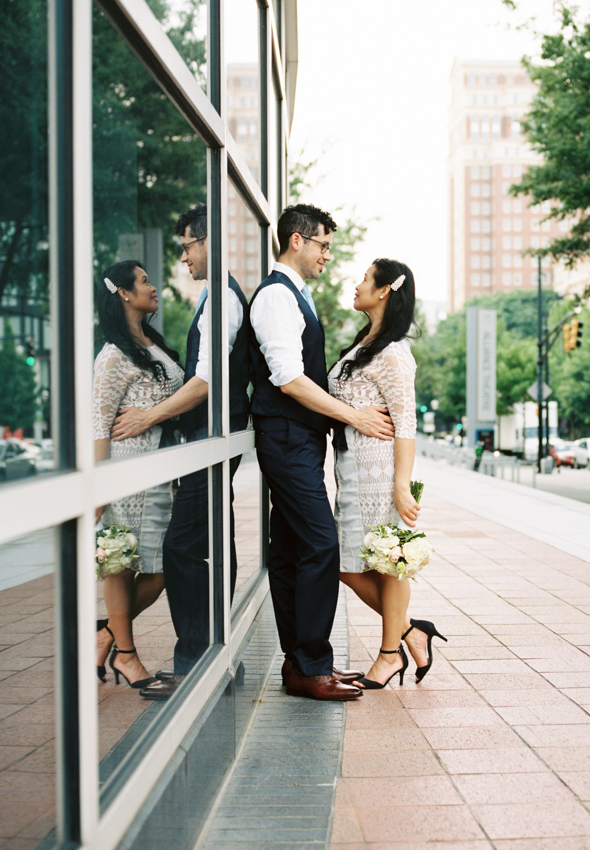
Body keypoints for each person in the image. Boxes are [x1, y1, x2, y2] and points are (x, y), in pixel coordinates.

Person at [249, 203, 394, 701]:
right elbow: (288, 379)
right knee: (320, 544)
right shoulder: (276, 298)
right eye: (324, 245)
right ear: (297, 241)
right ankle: (312, 663)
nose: (328, 255)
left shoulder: (296, 297)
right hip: (286, 437)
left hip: (298, 440)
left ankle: (300, 664)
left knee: (291, 549)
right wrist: (352, 416)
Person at [110, 205, 251, 699]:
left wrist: (150, 416)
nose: (185, 256)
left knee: (183, 547)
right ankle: (213, 653)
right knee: (208, 543)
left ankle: (196, 663)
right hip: (210, 439)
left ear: (210, 242)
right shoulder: (215, 296)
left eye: (189, 245)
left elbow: (207, 380)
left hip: (211, 440)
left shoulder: (222, 301)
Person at [329, 259, 447, 688]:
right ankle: (412, 630)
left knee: (388, 564)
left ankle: (389, 653)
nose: (356, 284)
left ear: (384, 292)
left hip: (378, 473)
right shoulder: (366, 345)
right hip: (352, 472)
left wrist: (401, 483)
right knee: (349, 564)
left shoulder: (394, 354)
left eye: (364, 278)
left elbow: (406, 422)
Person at [94, 260, 184, 689]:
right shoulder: (112, 355)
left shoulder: (151, 344)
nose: (153, 286)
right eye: (145, 281)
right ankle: (126, 655)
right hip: (125, 475)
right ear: (125, 295)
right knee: (122, 563)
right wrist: (98, 486)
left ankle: (110, 631)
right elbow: (99, 423)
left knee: (162, 566)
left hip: (159, 475)